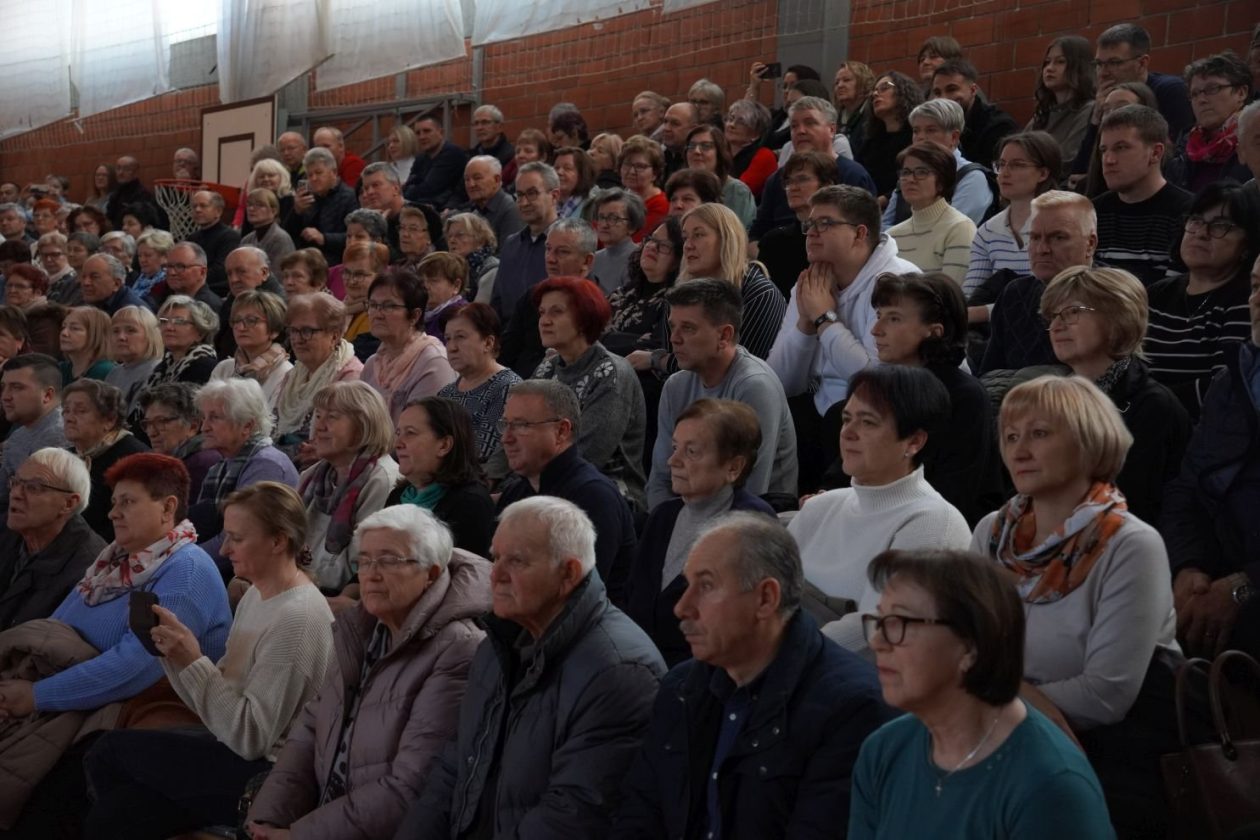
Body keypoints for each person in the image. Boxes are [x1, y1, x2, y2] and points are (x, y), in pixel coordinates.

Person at [973, 375, 1180, 835]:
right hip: (995, 731)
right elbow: (962, 648)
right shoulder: (991, 532)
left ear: (1089, 442)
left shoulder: (1132, 544)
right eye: (1010, 436)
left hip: (1109, 753)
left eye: (1039, 433)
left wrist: (991, 698)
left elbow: (1104, 696)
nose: (1019, 450)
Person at [395, 495, 665, 837]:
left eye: (517, 561)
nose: (496, 574)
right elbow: (453, 768)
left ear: (568, 574)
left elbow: (572, 817)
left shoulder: (618, 671)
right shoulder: (498, 644)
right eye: (496, 557)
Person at [617, 510, 896, 840]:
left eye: (706, 586)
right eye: (687, 584)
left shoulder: (852, 709)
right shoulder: (681, 688)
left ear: (765, 598)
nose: (682, 607)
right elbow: (638, 813)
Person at [81, 482, 335, 840]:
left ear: (278, 541)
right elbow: (221, 705)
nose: (225, 549)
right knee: (112, 814)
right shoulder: (258, 594)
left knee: (108, 751)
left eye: (237, 538)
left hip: (269, 776)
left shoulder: (298, 617)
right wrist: (175, 656)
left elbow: (251, 738)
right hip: (231, 749)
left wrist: (192, 660)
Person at [0, 452, 229, 836]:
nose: (112, 513)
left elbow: (135, 667)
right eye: (113, 502)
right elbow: (56, 627)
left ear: (167, 508)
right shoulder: (115, 562)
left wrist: (36, 696)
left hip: (139, 717)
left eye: (127, 502)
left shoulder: (186, 570)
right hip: (84, 700)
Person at [245, 504, 489, 839]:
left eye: (389, 560)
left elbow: (412, 786)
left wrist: (298, 836)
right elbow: (309, 731)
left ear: (431, 573)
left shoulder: (458, 649)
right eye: (364, 561)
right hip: (324, 817)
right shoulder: (361, 631)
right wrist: (269, 820)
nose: (371, 574)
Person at [848, 549, 1113, 839]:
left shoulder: (1050, 786)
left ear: (970, 646)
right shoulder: (884, 750)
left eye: (899, 622)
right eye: (879, 621)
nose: (877, 642)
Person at [788, 366, 971, 649]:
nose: (848, 432)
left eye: (868, 422)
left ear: (914, 441)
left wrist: (774, 654)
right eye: (846, 419)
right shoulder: (820, 508)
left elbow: (878, 629)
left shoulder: (934, 521)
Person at [767, 185, 917, 492]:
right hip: (825, 413)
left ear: (860, 234)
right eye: (809, 224)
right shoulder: (811, 285)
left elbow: (878, 380)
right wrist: (806, 325)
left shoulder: (897, 283)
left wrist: (824, 319)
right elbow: (780, 382)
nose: (811, 233)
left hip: (887, 414)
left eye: (825, 223)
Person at [1162, 252, 1260, 661]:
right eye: (1256, 286)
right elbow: (1188, 487)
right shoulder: (1232, 381)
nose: (1257, 300)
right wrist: (1188, 567)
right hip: (1215, 567)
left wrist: (1244, 586)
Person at [626, 400, 775, 665]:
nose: (673, 461)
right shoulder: (662, 516)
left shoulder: (753, 526)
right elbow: (632, 600)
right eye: (675, 448)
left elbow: (744, 633)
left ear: (733, 467)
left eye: (691, 452)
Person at [1041, 266, 1190, 524]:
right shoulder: (1051, 400)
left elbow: (1134, 505)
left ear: (1117, 318)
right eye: (1053, 316)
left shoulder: (1153, 406)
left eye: (1072, 312)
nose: (1056, 326)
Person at [647, 278, 798, 510]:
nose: (674, 338)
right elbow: (661, 478)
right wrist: (665, 522)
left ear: (724, 336)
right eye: (673, 326)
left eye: (688, 328)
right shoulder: (675, 386)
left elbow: (750, 491)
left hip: (755, 521)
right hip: (688, 512)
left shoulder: (755, 386)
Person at [869, 273, 1003, 525]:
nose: (876, 330)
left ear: (934, 332)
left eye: (894, 318)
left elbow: (955, 493)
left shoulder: (965, 396)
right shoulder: (878, 389)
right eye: (879, 316)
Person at [495, 380, 639, 595]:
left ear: (561, 431)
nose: (506, 438)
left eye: (521, 425)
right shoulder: (515, 493)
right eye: (505, 424)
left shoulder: (593, 497)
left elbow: (577, 595)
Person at [530, 275, 647, 511]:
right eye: (542, 313)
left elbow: (588, 453)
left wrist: (523, 487)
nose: (544, 321)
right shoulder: (546, 368)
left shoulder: (612, 372)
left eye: (556, 312)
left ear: (584, 319)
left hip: (606, 493)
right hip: (542, 482)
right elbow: (519, 427)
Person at [1144, 181, 1259, 416]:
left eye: (1220, 225)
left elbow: (1223, 389)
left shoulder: (1246, 300)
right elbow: (1122, 363)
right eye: (1196, 220)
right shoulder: (1157, 293)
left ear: (1247, 245)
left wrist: (1145, 402)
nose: (1202, 233)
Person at [299, 381, 399, 601]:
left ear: (363, 426)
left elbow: (362, 563)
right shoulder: (311, 475)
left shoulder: (381, 480)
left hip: (341, 596)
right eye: (318, 416)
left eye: (332, 417)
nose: (319, 426)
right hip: (302, 587)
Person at [980, 190, 1098, 374]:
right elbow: (989, 374)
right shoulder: (1015, 294)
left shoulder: (1108, 297)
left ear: (1090, 244)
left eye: (1058, 237)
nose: (1042, 249)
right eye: (1034, 238)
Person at [191, 378, 300, 574]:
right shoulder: (221, 466)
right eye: (204, 418)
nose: (204, 427)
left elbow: (238, 538)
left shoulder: (266, 465)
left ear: (247, 426)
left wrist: (185, 562)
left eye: (215, 418)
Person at [0, 448, 105, 630]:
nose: (16, 494)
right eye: (15, 482)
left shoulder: (88, 569)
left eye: (33, 488)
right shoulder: (7, 528)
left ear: (69, 503)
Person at [750, 97, 877, 241]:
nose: (800, 131)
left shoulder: (853, 175)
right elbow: (755, 234)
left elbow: (866, 236)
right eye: (794, 126)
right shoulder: (777, 179)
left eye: (810, 123)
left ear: (832, 130)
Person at [1092, 105, 1194, 286]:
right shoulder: (1093, 212)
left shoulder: (1188, 212)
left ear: (1155, 153)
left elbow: (1173, 294)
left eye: (1121, 147)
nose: (1108, 160)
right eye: (1104, 150)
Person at [388, 396, 497, 557]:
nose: (397, 443)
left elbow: (464, 570)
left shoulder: (470, 504)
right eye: (398, 433)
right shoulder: (397, 495)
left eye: (410, 433)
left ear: (444, 445)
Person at [964, 132, 1061, 307]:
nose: (1004, 173)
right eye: (1001, 165)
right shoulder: (987, 231)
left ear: (1043, 173)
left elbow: (1055, 296)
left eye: (1017, 165)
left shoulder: (1061, 223)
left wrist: (983, 312)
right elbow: (970, 296)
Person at [680, 202, 786, 360]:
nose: (688, 245)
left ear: (727, 239)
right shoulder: (683, 292)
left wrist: (659, 360)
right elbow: (673, 350)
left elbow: (739, 365)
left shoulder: (760, 293)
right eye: (685, 238)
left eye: (698, 235)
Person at [274, 292, 363, 462]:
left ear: (334, 336)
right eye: (293, 331)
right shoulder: (292, 376)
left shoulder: (350, 378)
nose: (297, 339)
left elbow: (341, 441)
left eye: (307, 331)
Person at [360, 268, 456, 425]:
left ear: (415, 315)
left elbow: (422, 431)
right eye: (373, 305)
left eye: (389, 306)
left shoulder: (434, 363)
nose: (377, 314)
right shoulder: (372, 364)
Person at [884, 98, 996, 228]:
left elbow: (950, 229)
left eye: (930, 130)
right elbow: (884, 226)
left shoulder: (972, 177)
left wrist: (901, 236)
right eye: (916, 131)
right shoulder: (907, 173)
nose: (920, 137)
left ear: (954, 137)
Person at [61, 379, 150, 541]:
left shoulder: (136, 458)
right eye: (66, 411)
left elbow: (131, 522)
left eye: (80, 411)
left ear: (109, 420)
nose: (69, 418)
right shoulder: (65, 457)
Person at [435, 302, 521, 465]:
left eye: (460, 337)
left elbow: (487, 456)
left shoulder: (508, 388)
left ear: (488, 343)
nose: (451, 347)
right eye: (447, 339)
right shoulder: (446, 393)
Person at [886, 141, 977, 285]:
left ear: (941, 181)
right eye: (906, 172)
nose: (910, 179)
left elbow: (951, 293)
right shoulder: (892, 235)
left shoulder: (960, 228)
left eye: (921, 172)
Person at [1166, 50, 1253, 192]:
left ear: (1241, 93)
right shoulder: (1183, 148)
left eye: (1212, 89)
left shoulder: (1253, 141)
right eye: (1194, 94)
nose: (1201, 100)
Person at [758, 152, 840, 298]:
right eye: (788, 182)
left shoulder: (840, 239)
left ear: (827, 185)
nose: (792, 187)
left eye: (802, 179)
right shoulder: (772, 243)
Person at [0, 354, 69, 519]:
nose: (5, 396)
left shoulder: (58, 434)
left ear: (47, 395)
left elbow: (38, 511)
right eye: (3, 387)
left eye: (17, 387)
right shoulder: (18, 436)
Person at [490, 162, 558, 325]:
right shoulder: (511, 244)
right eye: (519, 195)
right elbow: (498, 302)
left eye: (532, 193)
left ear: (554, 196)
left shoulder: (570, 244)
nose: (524, 202)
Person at [210, 289, 293, 407]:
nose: (241, 327)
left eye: (251, 321)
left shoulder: (286, 374)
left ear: (274, 330)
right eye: (236, 320)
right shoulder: (224, 368)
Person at [1027, 36, 1097, 176]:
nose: (1049, 68)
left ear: (1079, 67)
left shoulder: (1089, 110)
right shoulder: (1042, 115)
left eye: (1060, 62)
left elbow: (1069, 159)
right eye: (1047, 62)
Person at [930, 59, 1019, 168]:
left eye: (951, 89)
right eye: (937, 93)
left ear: (973, 90)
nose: (943, 98)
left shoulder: (999, 127)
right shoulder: (933, 127)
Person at [137, 382, 222, 496]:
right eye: (147, 424)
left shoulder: (201, 463)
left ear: (193, 426)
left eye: (161, 422)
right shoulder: (161, 462)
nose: (151, 433)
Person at [857, 71, 923, 200]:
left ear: (903, 92)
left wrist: (885, 199)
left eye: (884, 88)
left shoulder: (916, 136)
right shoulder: (870, 142)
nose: (875, 94)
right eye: (874, 91)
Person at [287, 147, 359, 265]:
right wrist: (297, 212)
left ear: (334, 172)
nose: (314, 178)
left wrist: (324, 238)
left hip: (336, 261)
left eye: (319, 173)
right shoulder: (308, 197)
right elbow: (290, 235)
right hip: (308, 260)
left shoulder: (349, 197)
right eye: (309, 175)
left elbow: (356, 236)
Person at [215, 245, 285, 358]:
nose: (233, 279)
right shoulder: (232, 301)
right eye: (229, 274)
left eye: (241, 272)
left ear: (264, 273)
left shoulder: (282, 308)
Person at [684, 125, 757, 227]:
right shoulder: (681, 188)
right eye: (691, 146)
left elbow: (738, 232)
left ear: (720, 153)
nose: (696, 151)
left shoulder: (736, 191)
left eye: (705, 146)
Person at [144, 296, 219, 389]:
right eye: (164, 321)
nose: (168, 327)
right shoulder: (163, 366)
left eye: (179, 321)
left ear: (200, 332)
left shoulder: (204, 367)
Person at [402, 115, 469, 210]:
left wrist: (410, 189)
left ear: (441, 132)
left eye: (427, 131)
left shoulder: (452, 154)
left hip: (449, 210)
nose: (422, 137)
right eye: (418, 133)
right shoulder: (421, 158)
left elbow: (429, 188)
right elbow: (408, 186)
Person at [591, 188, 646, 296]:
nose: (604, 224)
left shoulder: (638, 260)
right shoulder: (594, 258)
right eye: (601, 217)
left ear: (632, 226)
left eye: (613, 218)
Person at [186, 191, 241, 297]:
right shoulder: (192, 238)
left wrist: (190, 277)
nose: (197, 210)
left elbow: (221, 271)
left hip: (216, 292)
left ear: (218, 211)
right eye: (194, 206)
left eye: (203, 206)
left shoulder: (229, 237)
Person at [460, 155, 522, 249]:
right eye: (467, 179)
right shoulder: (472, 211)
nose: (471, 184)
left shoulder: (511, 210)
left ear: (497, 180)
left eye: (477, 178)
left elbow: (510, 253)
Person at [341, 241, 389, 361]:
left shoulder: (380, 314)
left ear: (379, 277)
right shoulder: (339, 308)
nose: (351, 281)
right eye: (347, 273)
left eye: (359, 275)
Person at [617, 136, 670, 244]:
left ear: (655, 173)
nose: (631, 171)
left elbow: (637, 241)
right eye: (627, 164)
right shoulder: (616, 199)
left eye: (640, 166)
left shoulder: (662, 204)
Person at [724, 98, 778, 198]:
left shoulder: (764, 156)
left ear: (756, 133)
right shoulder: (720, 152)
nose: (731, 125)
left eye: (741, 122)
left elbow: (739, 192)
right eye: (730, 119)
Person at [148, 241, 223, 313]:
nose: (172, 272)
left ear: (202, 272)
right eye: (169, 266)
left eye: (180, 267)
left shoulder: (209, 307)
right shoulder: (160, 299)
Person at [444, 212, 499, 303]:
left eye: (460, 235)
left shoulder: (491, 269)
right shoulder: (449, 269)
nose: (452, 240)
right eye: (449, 236)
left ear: (480, 240)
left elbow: (479, 309)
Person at [415, 252, 466, 343]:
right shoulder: (421, 313)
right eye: (422, 281)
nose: (425, 286)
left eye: (433, 281)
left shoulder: (461, 317)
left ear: (456, 286)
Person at [240, 188, 296, 270]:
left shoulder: (281, 239)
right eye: (249, 204)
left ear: (273, 211)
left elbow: (280, 273)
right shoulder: (246, 240)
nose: (251, 209)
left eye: (259, 205)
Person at [57, 305, 115, 384]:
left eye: (75, 328)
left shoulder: (106, 371)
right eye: (63, 327)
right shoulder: (61, 370)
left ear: (95, 335)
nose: (64, 333)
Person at [79, 252, 144, 316]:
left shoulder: (130, 314)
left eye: (94, 277)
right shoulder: (91, 301)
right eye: (83, 277)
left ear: (116, 284)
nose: (86, 283)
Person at [834, 60, 877, 156]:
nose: (840, 85)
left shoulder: (874, 115)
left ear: (864, 83)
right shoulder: (834, 117)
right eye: (837, 82)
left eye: (846, 80)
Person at [553, 146, 597, 220]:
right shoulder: (547, 203)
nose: (559, 172)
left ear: (582, 174)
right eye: (556, 168)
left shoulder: (595, 205)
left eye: (567, 168)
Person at [132, 229, 173, 302]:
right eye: (139, 256)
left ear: (165, 257)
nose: (142, 260)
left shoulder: (168, 284)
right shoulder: (138, 279)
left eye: (148, 255)